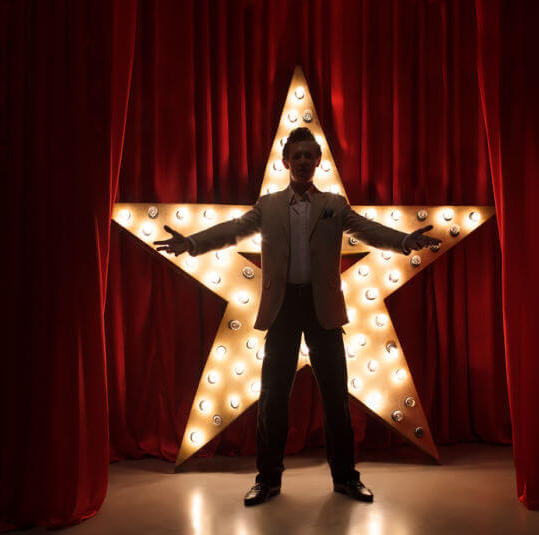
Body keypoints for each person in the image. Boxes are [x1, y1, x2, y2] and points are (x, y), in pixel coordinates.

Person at [155, 127, 440, 506]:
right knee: (273, 399)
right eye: (298, 156)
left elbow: (368, 230)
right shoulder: (268, 206)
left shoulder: (334, 205)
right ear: (286, 162)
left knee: (336, 397)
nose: (304, 162)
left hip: (323, 311)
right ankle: (267, 480)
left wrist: (404, 241)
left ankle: (346, 479)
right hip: (282, 309)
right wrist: (192, 243)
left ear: (317, 162)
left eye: (310, 156)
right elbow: (234, 231)